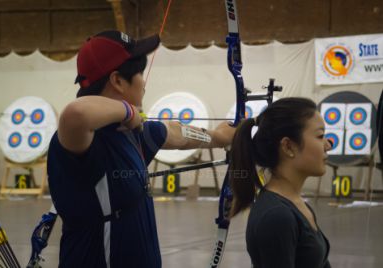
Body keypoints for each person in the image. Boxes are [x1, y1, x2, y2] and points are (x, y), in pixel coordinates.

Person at [47, 30, 236, 268]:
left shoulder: (132, 133)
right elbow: (75, 114)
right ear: (117, 80)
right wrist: (127, 111)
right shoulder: (80, 142)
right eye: (139, 73)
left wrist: (219, 137)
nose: (144, 82)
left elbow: (176, 133)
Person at [229, 97, 332, 268]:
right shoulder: (277, 217)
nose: (328, 145)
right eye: (320, 136)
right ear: (288, 147)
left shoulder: (297, 205)